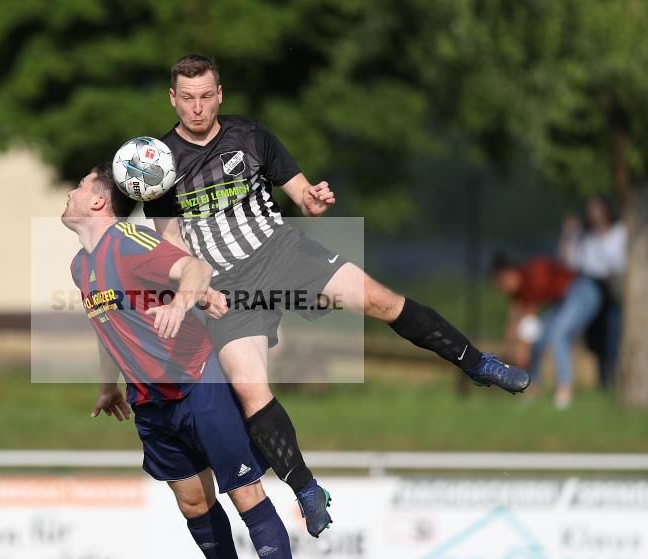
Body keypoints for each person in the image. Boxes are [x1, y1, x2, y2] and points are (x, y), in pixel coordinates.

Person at [144, 54, 530, 532]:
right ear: (172, 98)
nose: (197, 108)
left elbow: (301, 194)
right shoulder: (159, 164)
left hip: (282, 253)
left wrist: (314, 200)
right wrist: (198, 292)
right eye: (187, 98)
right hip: (228, 288)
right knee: (248, 388)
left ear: (219, 94)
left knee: (380, 300)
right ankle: (307, 489)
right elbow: (172, 243)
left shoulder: (251, 136)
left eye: (206, 96)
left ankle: (477, 364)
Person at [62, 163, 301, 559]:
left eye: (78, 186)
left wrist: (182, 303)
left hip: (197, 383)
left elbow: (194, 268)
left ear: (98, 201)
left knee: (244, 492)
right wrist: (107, 384)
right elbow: (108, 326)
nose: (71, 193)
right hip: (148, 401)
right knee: (192, 502)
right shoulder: (81, 266)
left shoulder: (130, 242)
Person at [554, 196, 627, 401]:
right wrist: (568, 235)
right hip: (590, 288)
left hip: (611, 291)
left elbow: (618, 263)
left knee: (613, 339)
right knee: (596, 341)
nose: (595, 214)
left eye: (598, 209)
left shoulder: (620, 232)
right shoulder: (586, 238)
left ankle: (616, 384)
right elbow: (569, 262)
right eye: (591, 210)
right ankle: (604, 385)